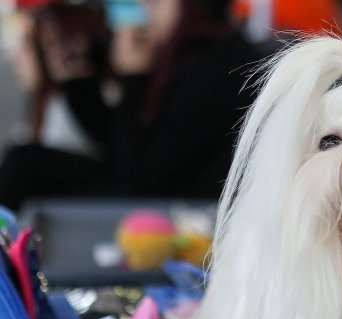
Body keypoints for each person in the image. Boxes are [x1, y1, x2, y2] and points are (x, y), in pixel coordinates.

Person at [67, 0, 262, 199]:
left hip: (194, 216)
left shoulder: (214, 66)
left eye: (156, 2)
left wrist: (132, 80)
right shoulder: (183, 56)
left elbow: (140, 174)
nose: (144, 8)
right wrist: (78, 80)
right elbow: (115, 148)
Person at [0, 2, 113, 210]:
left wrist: (78, 80)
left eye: (27, 45)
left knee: (20, 160)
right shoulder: (44, 100)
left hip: (87, 206)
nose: (17, 56)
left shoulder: (82, 95)